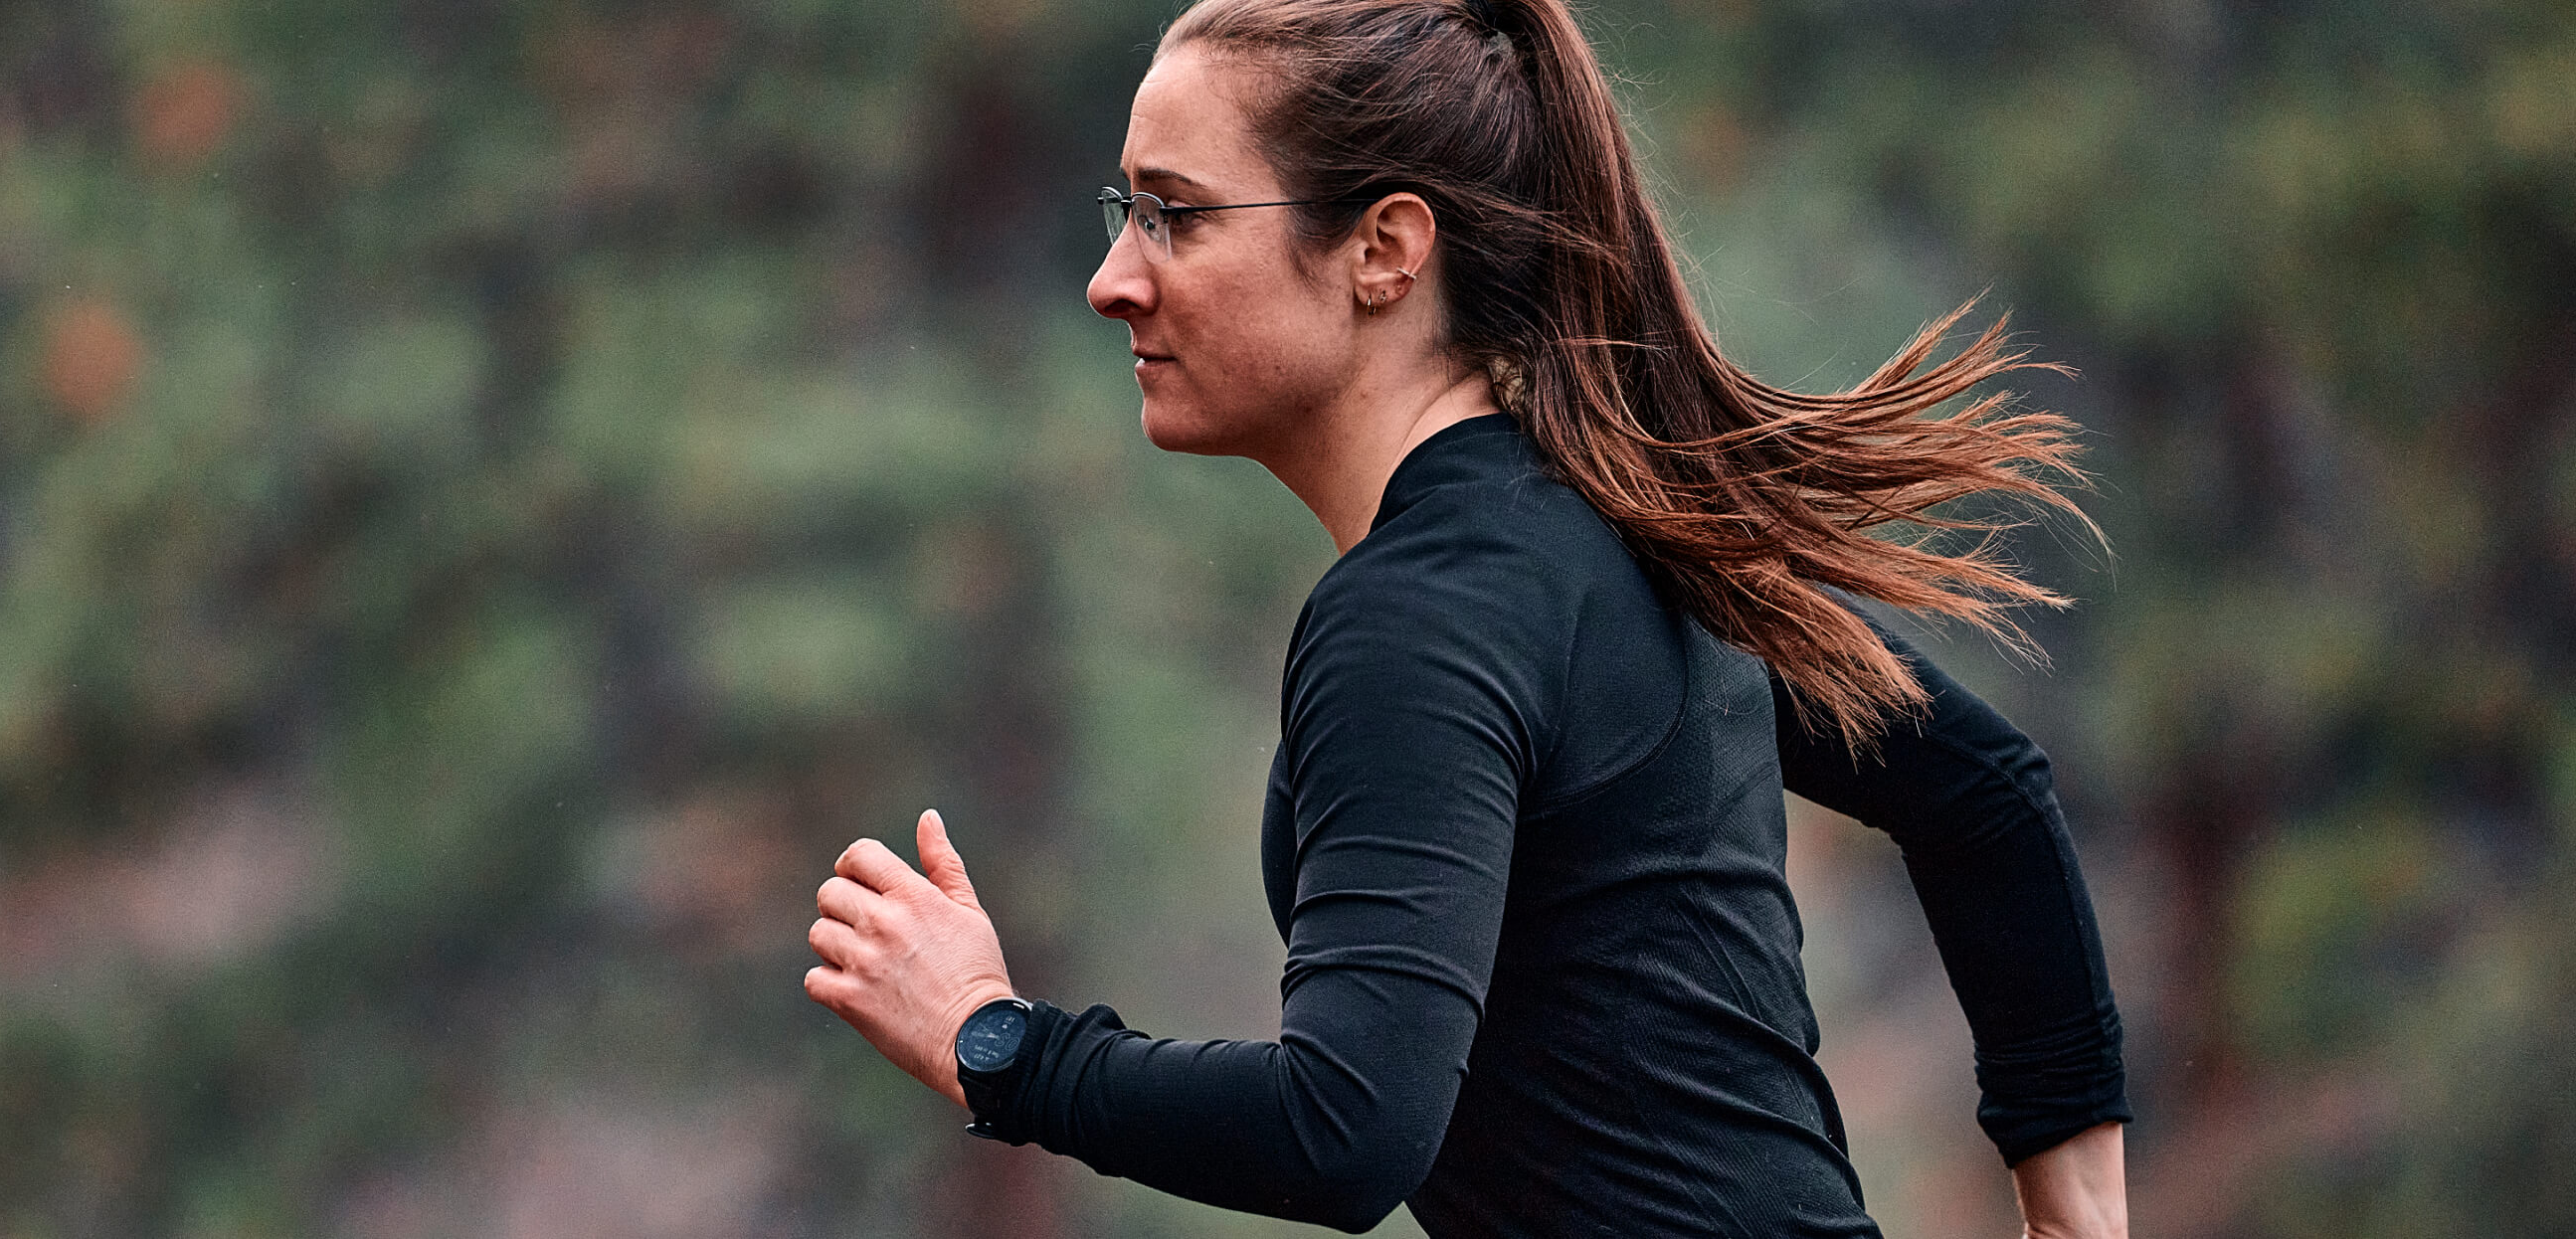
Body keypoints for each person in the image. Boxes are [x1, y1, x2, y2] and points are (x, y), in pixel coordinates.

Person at [801, 0, 2131, 1233]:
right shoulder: (1614, 521)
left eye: (1175, 216)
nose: (1114, 279)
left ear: (1383, 248)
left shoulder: (1421, 615)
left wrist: (997, 1042)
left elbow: (1343, 1128)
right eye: (1122, 211)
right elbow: (1985, 793)